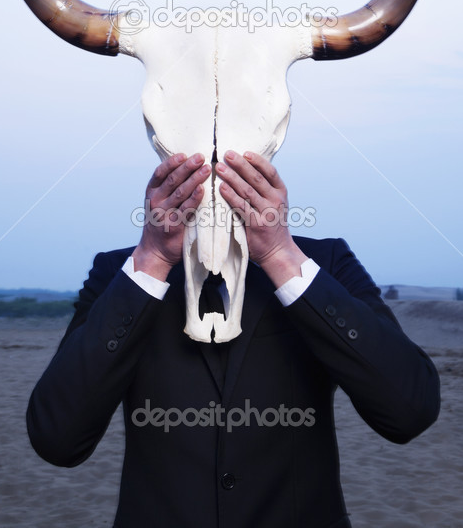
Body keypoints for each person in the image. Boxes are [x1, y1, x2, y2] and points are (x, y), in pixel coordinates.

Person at [26, 150, 441, 528]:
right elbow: (57, 438)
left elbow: (409, 410)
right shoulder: (119, 273)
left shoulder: (326, 262)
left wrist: (281, 256)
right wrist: (152, 259)